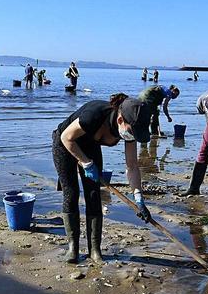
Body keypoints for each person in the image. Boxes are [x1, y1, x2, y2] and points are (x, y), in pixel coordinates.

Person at [53, 94, 153, 264]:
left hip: (90, 146)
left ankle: (94, 250)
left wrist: (139, 198)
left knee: (93, 195)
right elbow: (66, 138)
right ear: (120, 119)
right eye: (132, 131)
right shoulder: (95, 114)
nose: (133, 135)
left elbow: (132, 166)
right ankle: (73, 249)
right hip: (65, 144)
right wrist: (85, 163)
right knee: (71, 193)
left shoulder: (130, 131)